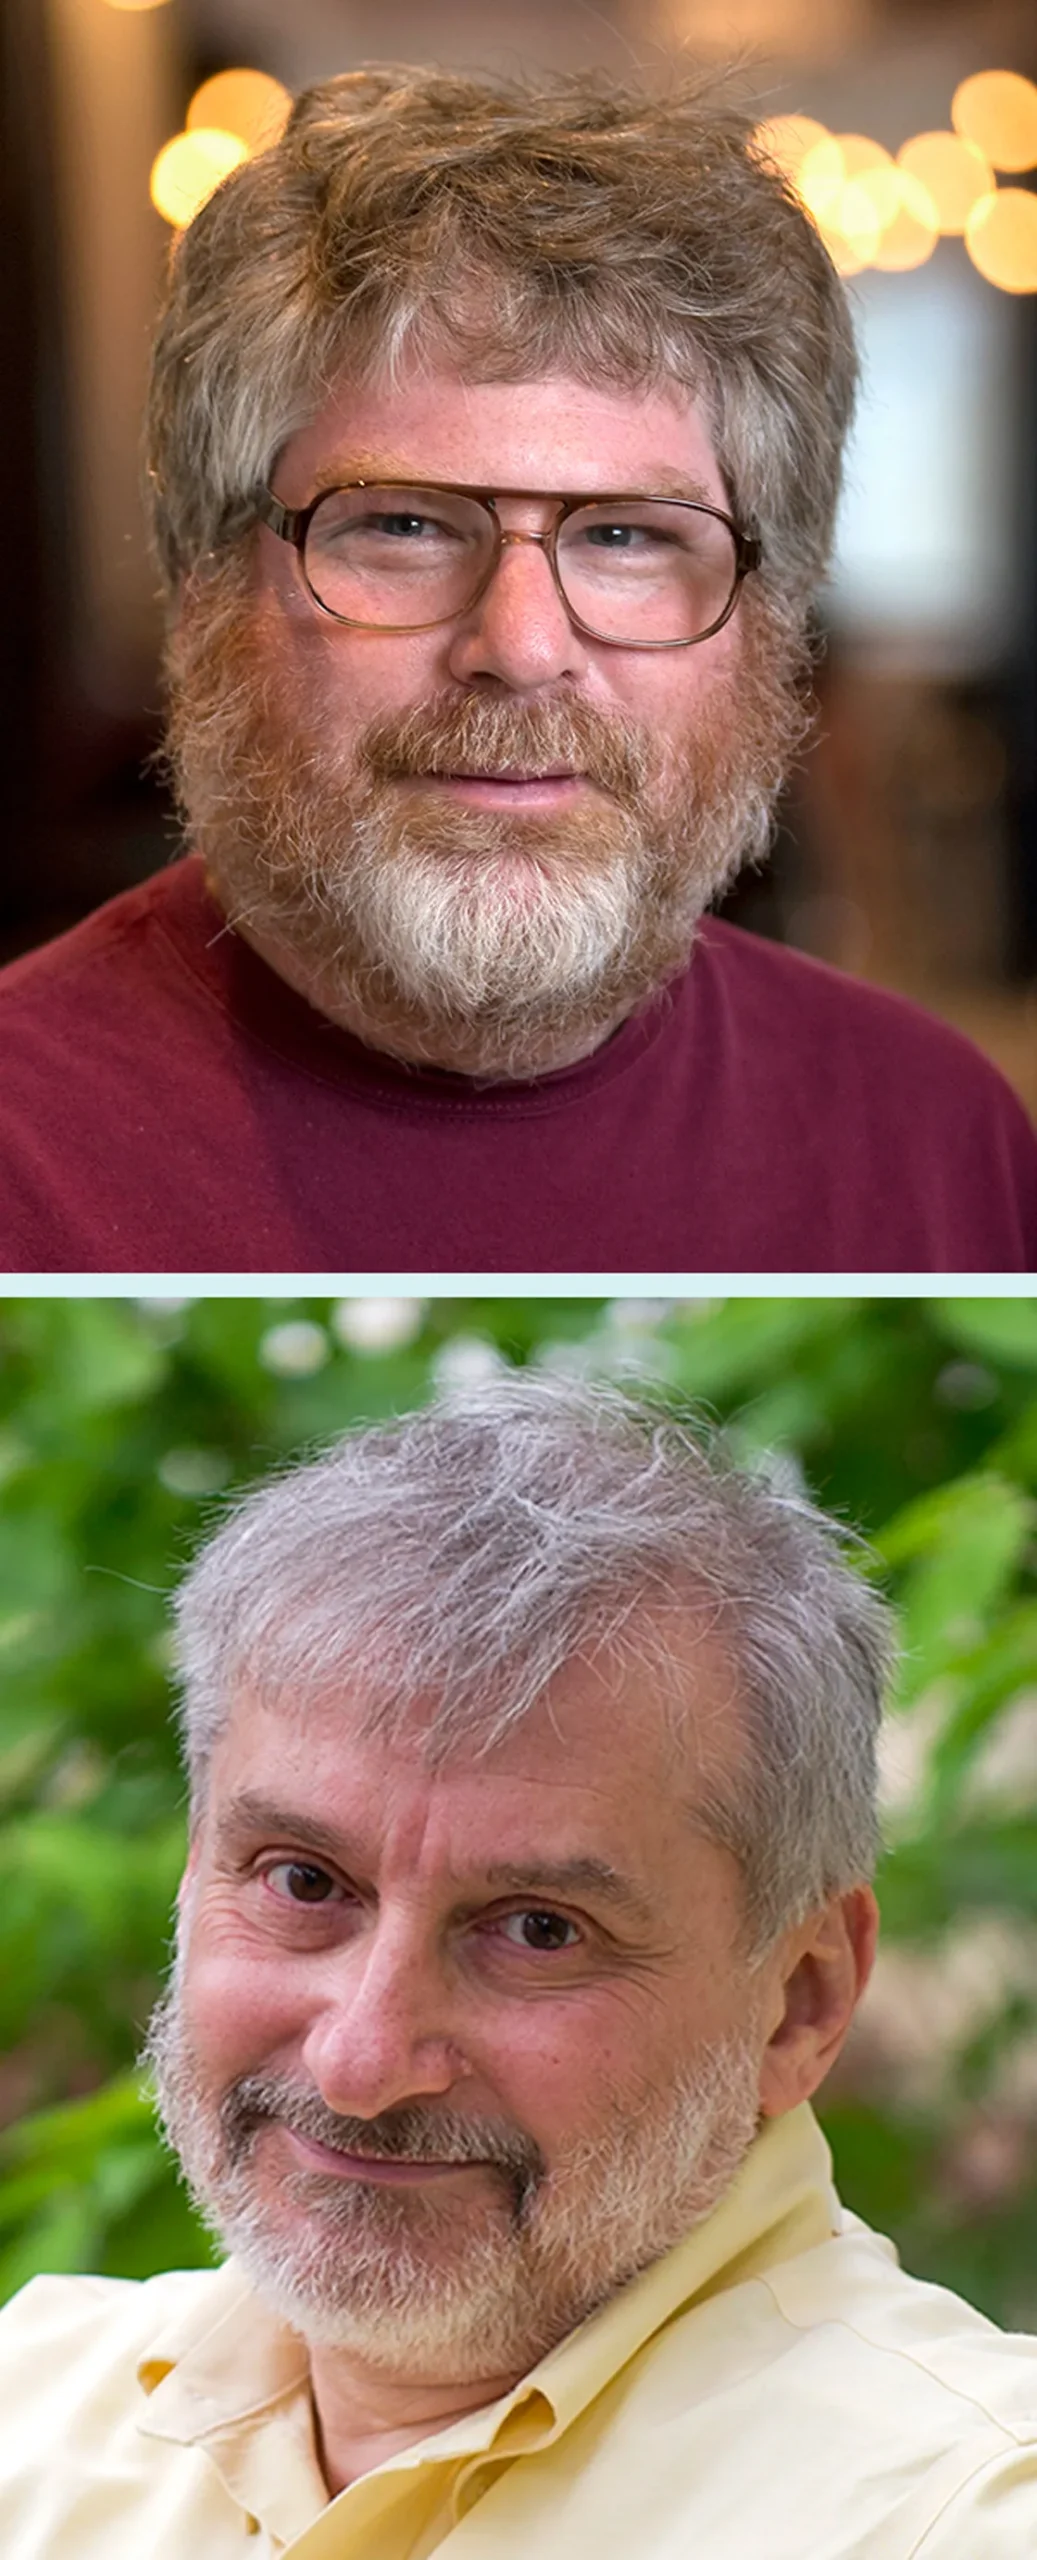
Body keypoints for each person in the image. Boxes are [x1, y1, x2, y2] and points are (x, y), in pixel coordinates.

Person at [0, 68, 1034, 1275]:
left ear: (771, 621)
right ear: (202, 586)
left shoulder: (938, 1137)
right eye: (401, 527)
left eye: (626, 536)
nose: (524, 648)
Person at [1, 1372, 1035, 2558]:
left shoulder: (964, 2515)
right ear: (192, 1881)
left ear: (798, 2000)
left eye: (537, 1928)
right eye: (301, 1882)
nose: (360, 2062)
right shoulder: (33, 2407)